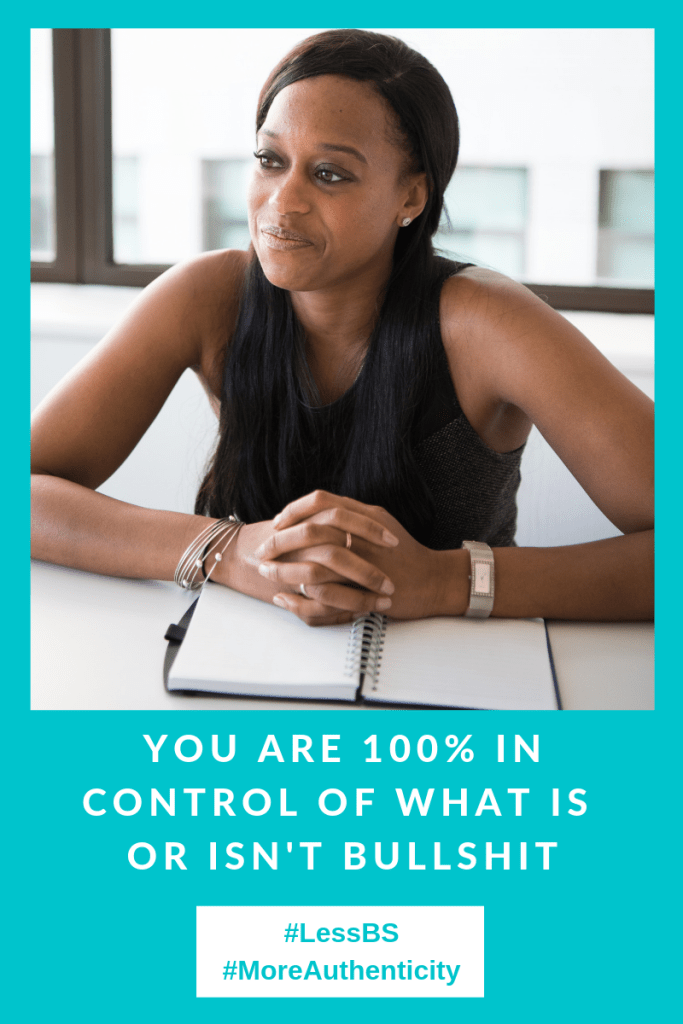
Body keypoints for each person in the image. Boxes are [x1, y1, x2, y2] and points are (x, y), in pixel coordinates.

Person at [31, 29, 653, 626]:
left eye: (329, 174)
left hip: (461, 684)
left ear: (411, 198)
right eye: (271, 160)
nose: (283, 201)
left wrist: (441, 581)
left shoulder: (487, 321)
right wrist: (227, 550)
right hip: (251, 673)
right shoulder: (208, 296)